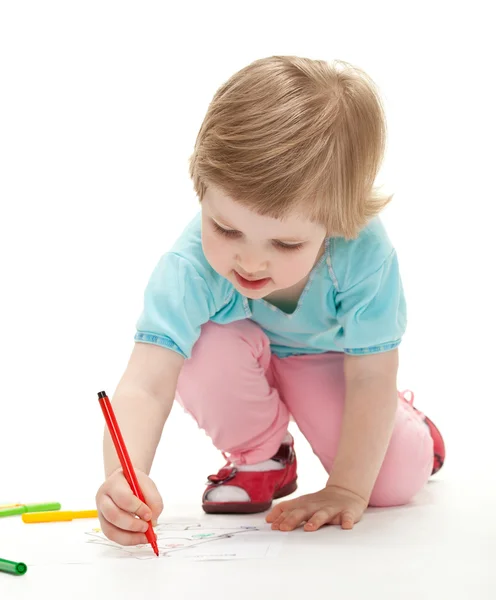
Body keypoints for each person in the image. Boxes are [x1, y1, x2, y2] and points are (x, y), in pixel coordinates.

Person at [95, 56, 445, 545]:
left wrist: (347, 487)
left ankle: (413, 428)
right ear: (201, 188)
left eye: (285, 244)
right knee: (196, 347)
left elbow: (371, 375)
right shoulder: (189, 266)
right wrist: (121, 478)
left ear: (337, 222)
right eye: (226, 228)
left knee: (391, 483)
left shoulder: (364, 253)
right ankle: (264, 457)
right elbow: (147, 384)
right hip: (239, 355)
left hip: (329, 361)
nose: (251, 263)